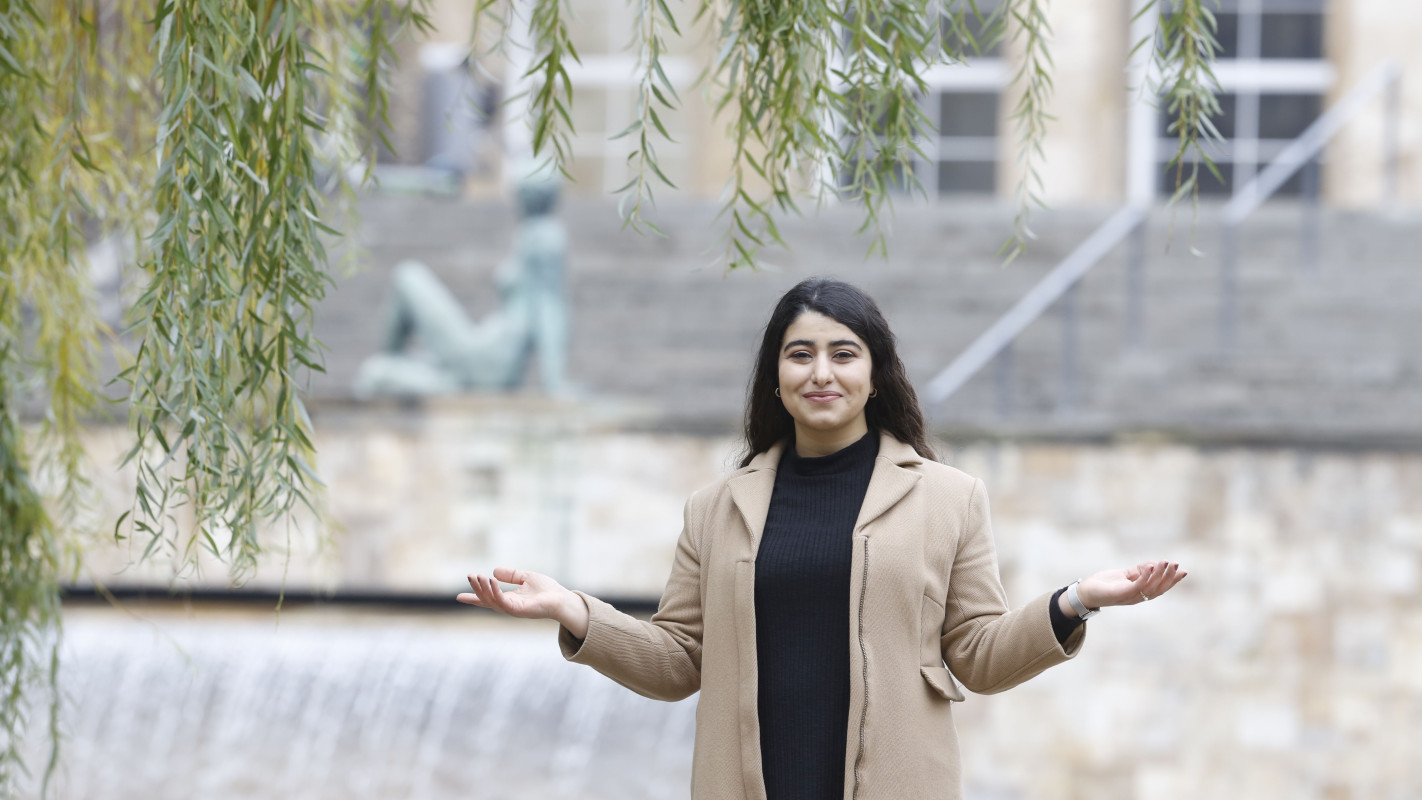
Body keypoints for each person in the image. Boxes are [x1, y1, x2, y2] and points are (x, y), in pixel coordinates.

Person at [457, 277, 1187, 799]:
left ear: (875, 375)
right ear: (775, 379)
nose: (821, 372)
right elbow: (680, 661)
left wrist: (1076, 602)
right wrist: (574, 613)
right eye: (800, 354)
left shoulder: (948, 497)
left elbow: (977, 656)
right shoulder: (715, 507)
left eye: (844, 354)